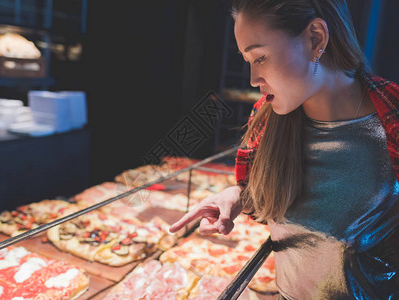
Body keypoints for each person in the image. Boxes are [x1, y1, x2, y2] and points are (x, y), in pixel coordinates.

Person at [169, 0, 399, 299]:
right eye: (247, 61)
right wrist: (238, 196)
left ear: (315, 38)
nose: (253, 79)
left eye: (260, 58)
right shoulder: (267, 120)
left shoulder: (391, 119)